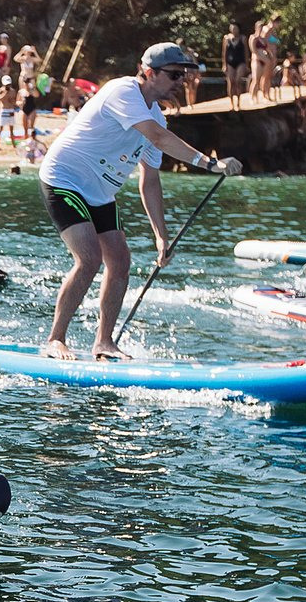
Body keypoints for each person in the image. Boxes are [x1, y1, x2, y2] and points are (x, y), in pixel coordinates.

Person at [38, 42, 238, 359]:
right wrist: (210, 163)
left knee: (120, 261)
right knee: (89, 259)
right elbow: (158, 138)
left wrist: (161, 235)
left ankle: (103, 343)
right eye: (174, 74)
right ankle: (55, 339)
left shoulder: (157, 117)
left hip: (100, 193)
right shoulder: (123, 92)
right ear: (148, 72)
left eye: (184, 76)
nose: (180, 82)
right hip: (64, 179)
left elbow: (150, 179)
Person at [221, 23, 249, 103]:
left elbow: (246, 52)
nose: (234, 30)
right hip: (230, 62)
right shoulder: (226, 38)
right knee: (231, 81)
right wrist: (224, 64)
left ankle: (239, 101)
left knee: (237, 81)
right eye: (233, 28)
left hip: (240, 62)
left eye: (235, 28)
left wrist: (247, 65)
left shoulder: (242, 38)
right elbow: (224, 52)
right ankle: (231, 102)